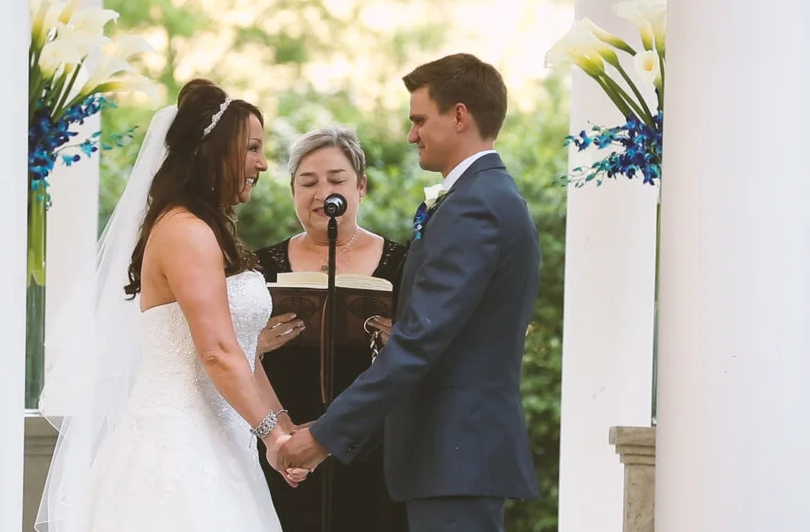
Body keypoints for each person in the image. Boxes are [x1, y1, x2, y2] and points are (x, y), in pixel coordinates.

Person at [273, 54, 542, 532]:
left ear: (459, 116)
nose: (411, 134)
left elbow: (417, 343)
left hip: (454, 458)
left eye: (419, 119)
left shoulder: (475, 207)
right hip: (453, 460)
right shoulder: (481, 197)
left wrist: (323, 437)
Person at [35, 78, 307, 532]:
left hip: (221, 440)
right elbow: (217, 351)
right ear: (214, 151)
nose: (262, 163)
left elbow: (238, 350)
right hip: (176, 448)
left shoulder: (209, 231)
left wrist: (282, 424)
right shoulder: (186, 232)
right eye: (251, 148)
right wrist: (272, 435)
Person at [254, 126, 409, 532]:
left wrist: (402, 342)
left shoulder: (405, 263)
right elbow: (224, 352)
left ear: (360, 187)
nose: (322, 193)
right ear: (292, 192)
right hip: (284, 443)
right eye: (308, 182)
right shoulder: (259, 266)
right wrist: (258, 344)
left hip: (372, 446)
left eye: (336, 180)